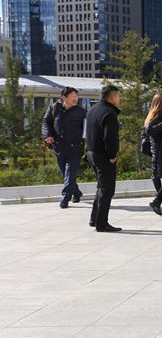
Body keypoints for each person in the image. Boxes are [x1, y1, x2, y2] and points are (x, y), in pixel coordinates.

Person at [41, 86, 87, 208]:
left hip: (75, 148)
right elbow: (46, 122)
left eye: (76, 97)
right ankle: (77, 193)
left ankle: (65, 198)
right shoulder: (54, 108)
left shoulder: (82, 113)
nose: (75, 99)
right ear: (63, 97)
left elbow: (87, 131)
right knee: (65, 174)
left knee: (70, 174)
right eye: (72, 97)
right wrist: (47, 135)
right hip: (59, 147)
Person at [85, 85, 122, 233]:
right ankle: (102, 223)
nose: (119, 99)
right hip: (103, 156)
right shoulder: (109, 113)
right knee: (107, 190)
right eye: (118, 96)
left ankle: (95, 219)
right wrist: (112, 155)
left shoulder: (93, 109)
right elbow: (110, 138)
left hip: (91, 153)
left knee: (101, 187)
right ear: (112, 97)